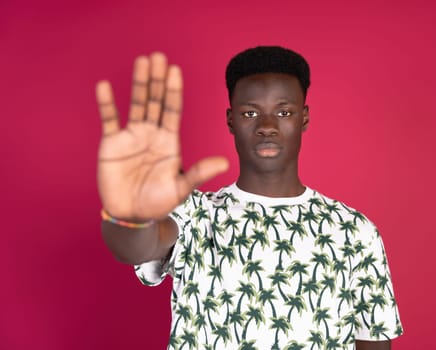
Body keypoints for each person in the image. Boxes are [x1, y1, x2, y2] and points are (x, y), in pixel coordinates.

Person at [96, 46, 403, 350]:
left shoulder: (354, 231)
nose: (267, 127)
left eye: (284, 112)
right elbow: (135, 247)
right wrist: (130, 213)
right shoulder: (195, 214)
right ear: (231, 120)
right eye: (250, 113)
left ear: (304, 118)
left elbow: (372, 341)